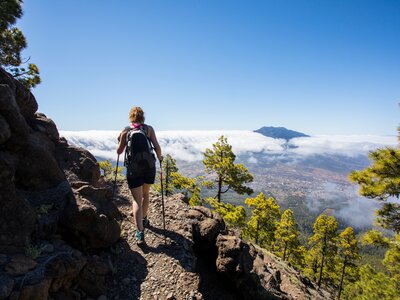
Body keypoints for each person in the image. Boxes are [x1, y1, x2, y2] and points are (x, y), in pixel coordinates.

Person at [117, 106, 163, 244]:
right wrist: (160, 158)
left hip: (134, 168)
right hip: (149, 166)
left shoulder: (126, 130)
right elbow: (157, 147)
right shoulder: (149, 129)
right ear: (143, 116)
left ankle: (140, 232)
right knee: (146, 194)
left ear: (130, 117)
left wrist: (120, 139)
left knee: (137, 200)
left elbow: (119, 151)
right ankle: (144, 218)